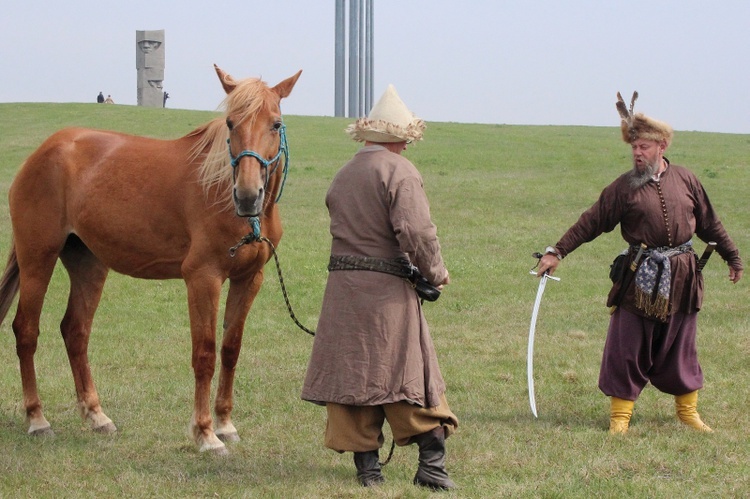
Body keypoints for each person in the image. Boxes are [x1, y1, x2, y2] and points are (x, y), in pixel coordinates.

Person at [536, 91, 743, 435]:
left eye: (644, 146)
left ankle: (688, 412)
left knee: (681, 346)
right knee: (628, 345)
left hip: (682, 277)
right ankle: (620, 418)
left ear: (662, 146)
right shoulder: (624, 188)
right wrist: (556, 252)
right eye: (633, 147)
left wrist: (732, 257)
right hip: (640, 277)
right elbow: (592, 221)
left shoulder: (687, 180)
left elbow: (710, 223)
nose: (636, 152)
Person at [301, 85, 458, 490]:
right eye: (407, 139)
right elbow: (417, 232)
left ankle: (368, 471)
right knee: (405, 372)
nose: (408, 146)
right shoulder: (399, 171)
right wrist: (436, 271)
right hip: (386, 293)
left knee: (353, 375)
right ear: (400, 137)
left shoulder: (344, 173)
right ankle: (432, 466)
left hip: (343, 293)